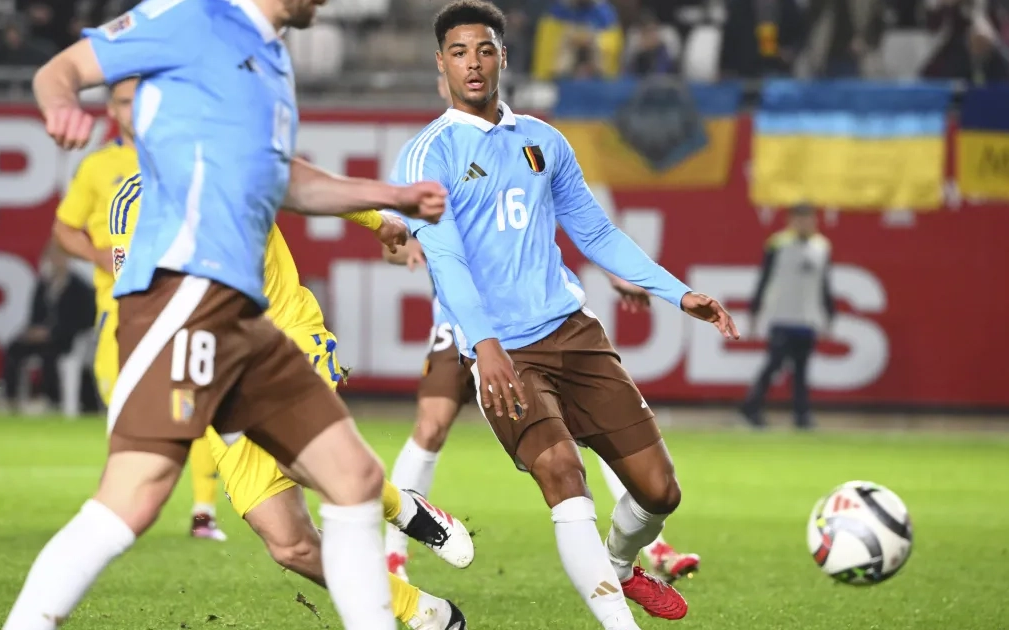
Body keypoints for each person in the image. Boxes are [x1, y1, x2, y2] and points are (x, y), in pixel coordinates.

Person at [3, 0, 449, 628]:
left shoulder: (273, 59)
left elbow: (280, 180)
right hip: (187, 297)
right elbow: (62, 69)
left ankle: (418, 612)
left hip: (245, 318)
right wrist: (59, 104)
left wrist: (388, 200)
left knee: (351, 475)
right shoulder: (193, 17)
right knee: (135, 499)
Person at [390, 2, 739, 628]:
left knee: (660, 491)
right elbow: (446, 260)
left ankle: (622, 566)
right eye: (460, 52)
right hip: (502, 351)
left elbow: (595, 231)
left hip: (573, 332)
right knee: (562, 473)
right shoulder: (427, 155)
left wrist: (676, 292)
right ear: (441, 63)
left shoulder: (543, 141)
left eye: (485, 49)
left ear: (503, 56)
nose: (474, 63)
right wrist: (484, 345)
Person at [105, 174, 469, 629]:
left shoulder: (234, 160)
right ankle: (424, 612)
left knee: (291, 451)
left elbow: (307, 186)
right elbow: (141, 301)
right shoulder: (131, 203)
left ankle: (405, 510)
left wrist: (378, 221)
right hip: (219, 378)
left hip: (285, 337)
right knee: (289, 544)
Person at [384, 240, 701, 586]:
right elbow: (391, 246)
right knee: (430, 427)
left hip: (527, 323)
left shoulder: (514, 203)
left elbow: (569, 226)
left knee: (602, 425)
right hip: (458, 325)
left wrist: (616, 274)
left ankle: (653, 548)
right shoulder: (432, 203)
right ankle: (393, 556)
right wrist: (415, 245)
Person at [51, 77, 229, 542]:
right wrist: (98, 255)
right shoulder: (98, 167)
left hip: (181, 307)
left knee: (194, 405)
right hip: (118, 309)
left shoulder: (180, 160)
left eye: (141, 101)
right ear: (111, 110)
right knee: (124, 407)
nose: (134, 110)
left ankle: (204, 511)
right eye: (125, 102)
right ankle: (124, 504)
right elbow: (64, 228)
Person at [741, 203, 836, 429]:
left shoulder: (822, 247)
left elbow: (825, 285)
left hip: (807, 318)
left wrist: (829, 315)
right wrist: (754, 311)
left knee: (802, 370)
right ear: (790, 221)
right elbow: (764, 279)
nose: (804, 224)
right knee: (774, 365)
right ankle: (751, 407)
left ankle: (801, 415)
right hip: (781, 316)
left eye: (808, 219)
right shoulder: (777, 244)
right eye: (799, 219)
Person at [0, 241, 96, 414]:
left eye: (60, 256)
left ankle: (51, 399)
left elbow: (85, 320)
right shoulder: (43, 286)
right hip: (43, 337)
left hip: (66, 340)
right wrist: (33, 331)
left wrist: (52, 332)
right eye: (52, 257)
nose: (55, 260)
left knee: (49, 355)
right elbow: (35, 316)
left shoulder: (80, 288)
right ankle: (11, 397)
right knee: (14, 348)